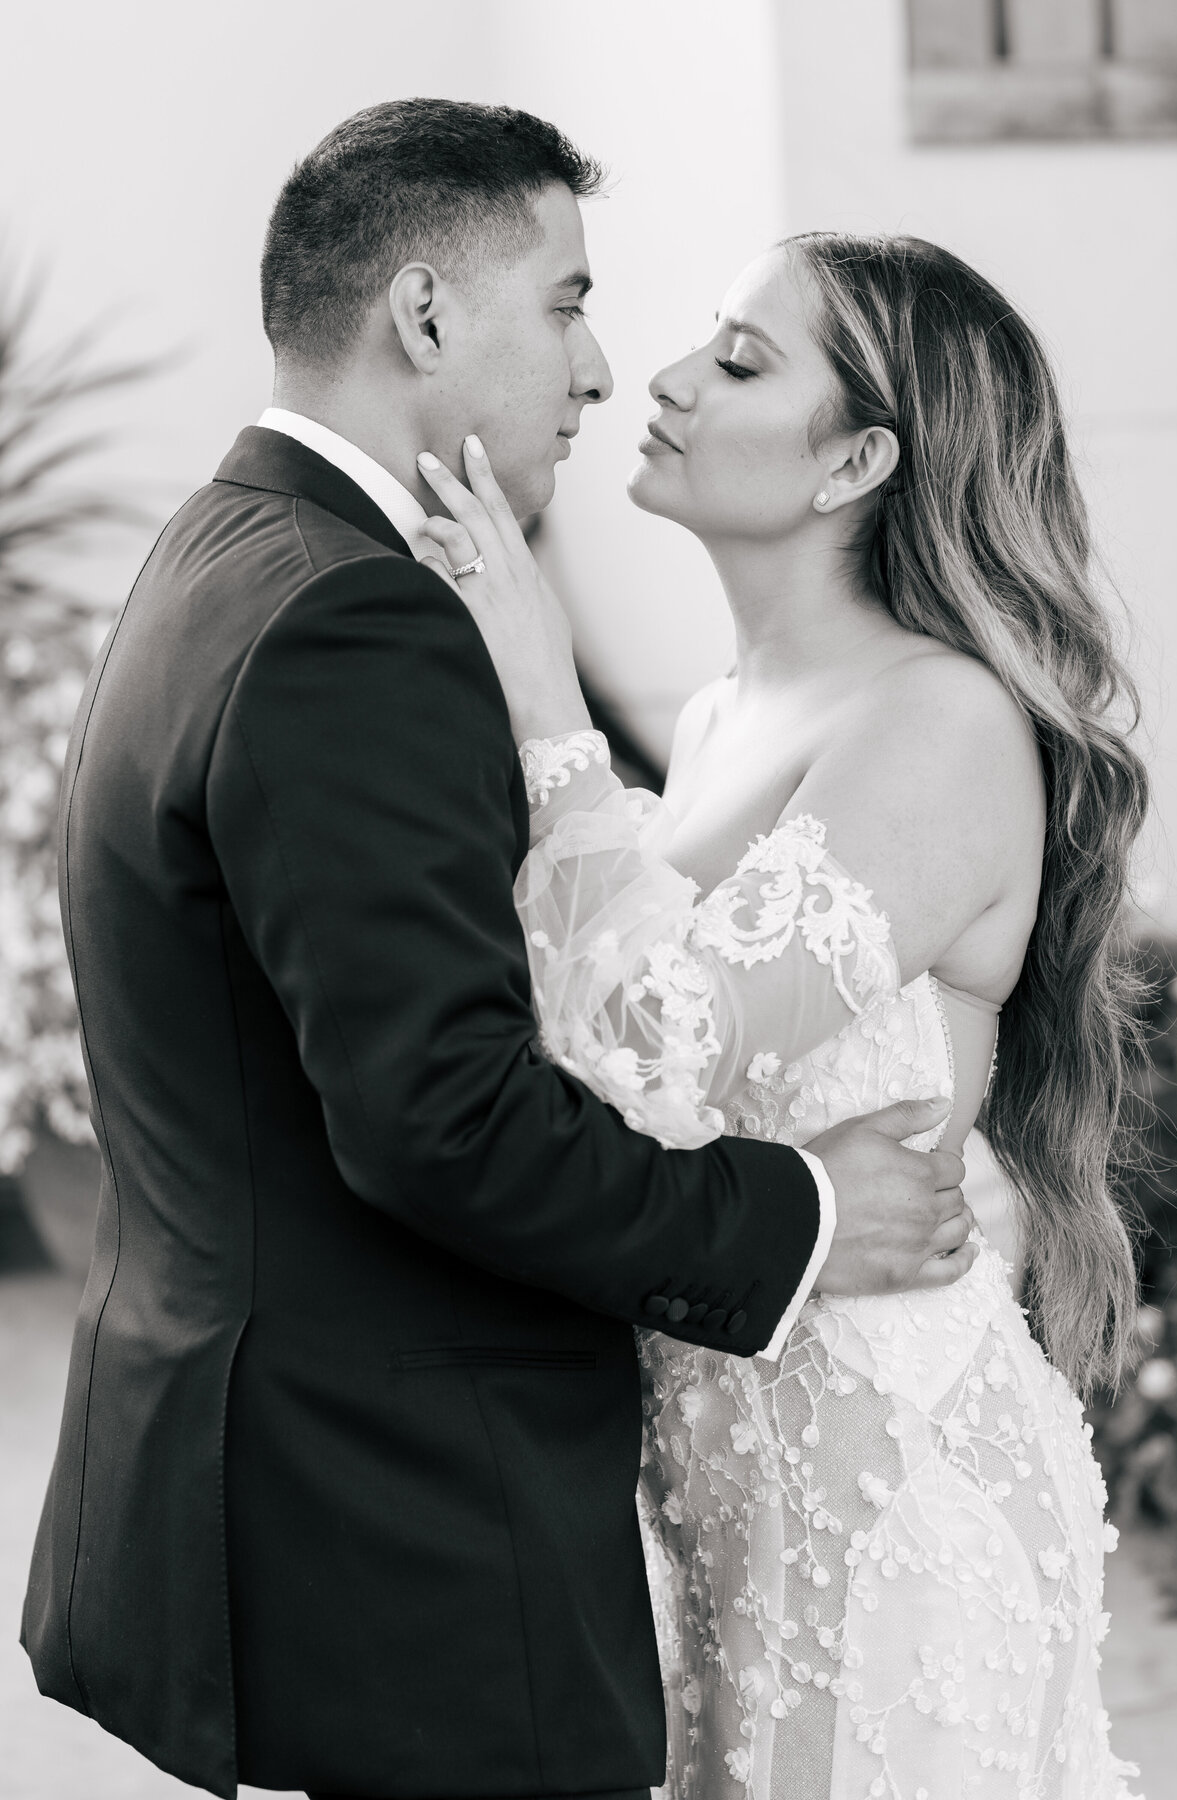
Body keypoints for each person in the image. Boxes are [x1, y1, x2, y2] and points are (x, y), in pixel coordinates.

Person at [20, 104, 973, 1800]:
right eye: (570, 300)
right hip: (397, 1521)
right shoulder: (354, 617)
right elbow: (440, 1123)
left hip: (315, 1482)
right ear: (427, 314)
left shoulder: (225, 549)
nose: (607, 370)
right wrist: (804, 1210)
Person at [415, 231, 1149, 1797]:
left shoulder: (939, 718)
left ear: (860, 460)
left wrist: (547, 712)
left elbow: (645, 1053)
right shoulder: (717, 719)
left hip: (891, 1508)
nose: (665, 382)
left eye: (743, 363)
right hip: (716, 1492)